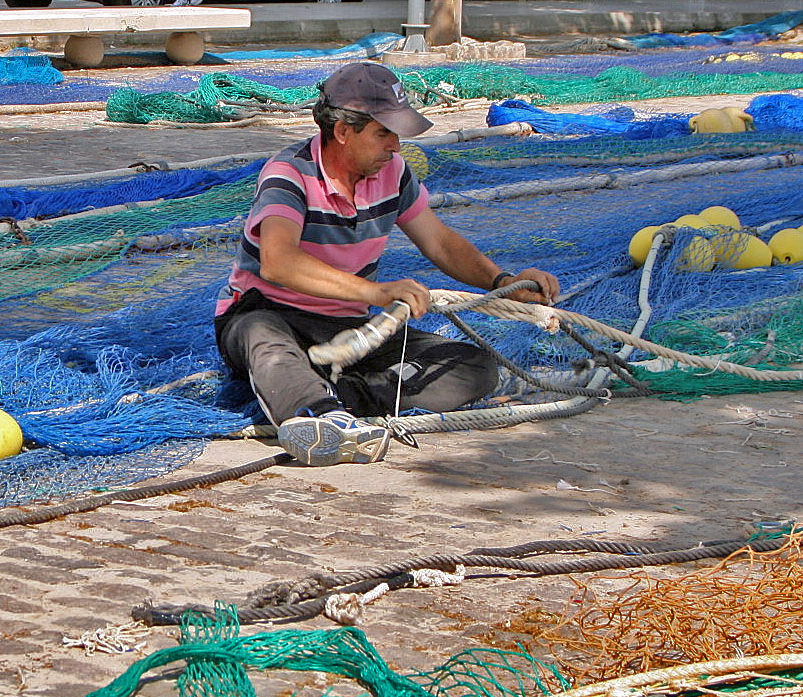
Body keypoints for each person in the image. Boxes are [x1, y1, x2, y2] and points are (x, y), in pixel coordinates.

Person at [215, 61, 561, 467]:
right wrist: (375, 293)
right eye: (384, 133)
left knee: (476, 367)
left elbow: (441, 243)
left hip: (351, 329)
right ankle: (315, 414)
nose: (395, 146)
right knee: (265, 340)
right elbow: (278, 262)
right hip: (268, 314)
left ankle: (339, 399)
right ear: (342, 131)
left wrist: (503, 281)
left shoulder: (393, 172)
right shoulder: (288, 175)